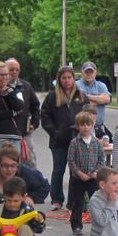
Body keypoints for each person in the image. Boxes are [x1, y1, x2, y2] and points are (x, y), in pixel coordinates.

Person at [41, 66, 88, 211]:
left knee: (76, 171)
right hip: (59, 141)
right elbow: (45, 116)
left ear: (74, 79)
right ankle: (56, 199)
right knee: (58, 170)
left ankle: (75, 200)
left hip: (78, 139)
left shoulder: (80, 95)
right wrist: (54, 132)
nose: (67, 81)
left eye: (69, 77)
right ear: (59, 80)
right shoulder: (52, 96)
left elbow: (88, 116)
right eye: (64, 78)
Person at [67, 111, 105, 235]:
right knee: (77, 202)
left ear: (92, 126)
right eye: (82, 125)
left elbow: (101, 158)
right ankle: (76, 225)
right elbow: (71, 160)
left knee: (96, 201)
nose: (85, 127)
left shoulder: (96, 143)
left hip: (93, 178)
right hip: (78, 178)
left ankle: (98, 224)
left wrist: (96, 172)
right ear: (78, 126)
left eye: (88, 124)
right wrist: (79, 173)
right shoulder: (74, 143)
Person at [6, 58, 41, 167]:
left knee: (30, 164)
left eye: (17, 70)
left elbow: (35, 106)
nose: (14, 72)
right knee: (9, 165)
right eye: (11, 69)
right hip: (6, 135)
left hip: (24, 134)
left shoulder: (26, 86)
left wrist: (34, 123)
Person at [75, 61, 112, 130]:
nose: (89, 74)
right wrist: (99, 99)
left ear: (95, 73)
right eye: (86, 72)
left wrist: (86, 97)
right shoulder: (76, 85)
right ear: (82, 73)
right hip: (81, 129)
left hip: (99, 128)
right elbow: (76, 103)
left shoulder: (101, 86)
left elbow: (107, 99)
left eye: (91, 72)